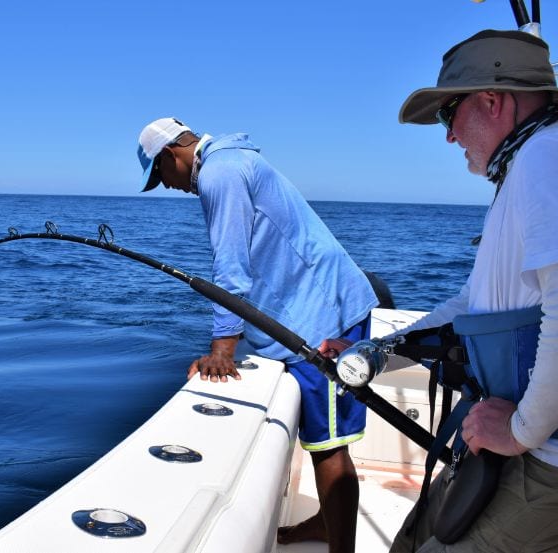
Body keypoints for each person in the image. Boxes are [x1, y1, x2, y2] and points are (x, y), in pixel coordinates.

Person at [321, 30, 558, 552]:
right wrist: (380, 352)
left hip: (549, 456)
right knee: (411, 541)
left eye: (447, 114)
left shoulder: (549, 157)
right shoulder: (525, 168)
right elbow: (471, 305)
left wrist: (522, 430)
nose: (449, 136)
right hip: (505, 436)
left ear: (493, 100)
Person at [136, 117, 379, 553]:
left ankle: (341, 546)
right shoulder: (233, 160)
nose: (167, 186)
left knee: (329, 446)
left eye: (159, 175)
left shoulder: (219, 173)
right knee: (324, 438)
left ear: (172, 155)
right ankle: (325, 524)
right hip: (311, 308)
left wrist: (222, 350)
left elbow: (230, 268)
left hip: (325, 318)